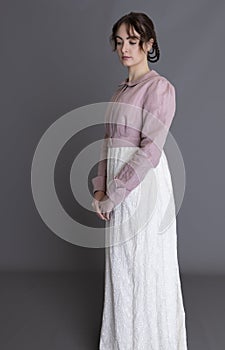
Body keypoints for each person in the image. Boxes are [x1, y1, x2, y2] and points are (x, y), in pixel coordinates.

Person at [91, 12, 188, 349]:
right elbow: (108, 142)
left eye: (132, 41)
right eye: (119, 42)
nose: (124, 49)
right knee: (122, 266)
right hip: (117, 186)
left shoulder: (159, 88)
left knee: (145, 265)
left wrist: (114, 194)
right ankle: (123, 341)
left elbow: (150, 150)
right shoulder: (120, 91)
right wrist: (100, 187)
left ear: (149, 44)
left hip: (142, 185)